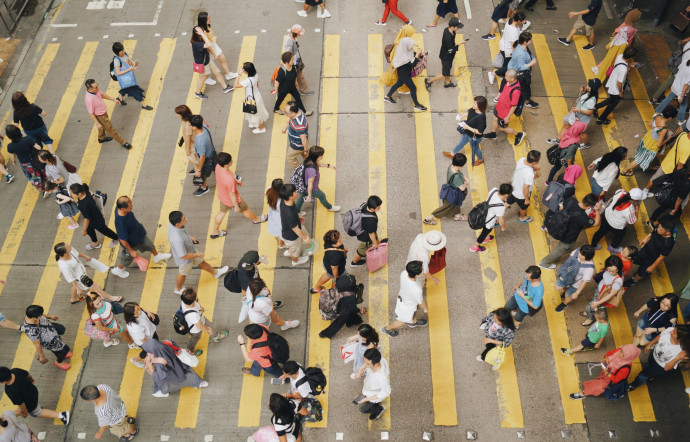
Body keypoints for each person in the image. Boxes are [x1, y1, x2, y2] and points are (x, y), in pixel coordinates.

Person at [168, 210, 229, 294]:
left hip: (191, 251)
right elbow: (183, 256)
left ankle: (215, 273)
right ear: (177, 224)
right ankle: (178, 289)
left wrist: (190, 237)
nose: (186, 218)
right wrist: (197, 254)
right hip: (185, 260)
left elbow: (183, 233)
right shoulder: (177, 239)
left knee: (201, 262)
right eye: (183, 219)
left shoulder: (172, 225)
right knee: (182, 273)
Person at [210, 152, 266, 239]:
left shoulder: (218, 166)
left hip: (223, 196)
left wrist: (235, 179)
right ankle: (256, 219)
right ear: (226, 164)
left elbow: (228, 172)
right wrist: (236, 206)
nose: (232, 161)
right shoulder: (229, 180)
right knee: (245, 209)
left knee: (221, 213)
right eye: (230, 161)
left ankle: (215, 232)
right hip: (232, 200)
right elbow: (232, 194)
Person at [538, 194, 601, 270]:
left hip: (558, 227)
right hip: (568, 236)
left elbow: (561, 207)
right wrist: (597, 211)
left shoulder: (571, 200)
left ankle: (566, 249)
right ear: (589, 207)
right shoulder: (583, 217)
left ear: (583, 198)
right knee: (560, 250)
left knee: (564, 248)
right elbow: (596, 223)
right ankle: (545, 263)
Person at [113, 196, 171, 276]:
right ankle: (118, 269)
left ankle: (157, 256)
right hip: (131, 243)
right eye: (130, 207)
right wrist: (131, 251)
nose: (131, 207)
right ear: (123, 208)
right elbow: (123, 239)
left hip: (139, 235)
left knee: (149, 245)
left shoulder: (119, 208)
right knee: (126, 259)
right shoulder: (120, 222)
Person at [628, 325, 690, 392]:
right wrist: (650, 343)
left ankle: (634, 385)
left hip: (660, 366)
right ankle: (651, 375)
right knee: (649, 365)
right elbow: (660, 336)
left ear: (681, 339)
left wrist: (677, 358)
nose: (671, 332)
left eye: (674, 333)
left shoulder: (681, 352)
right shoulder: (670, 330)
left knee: (642, 375)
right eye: (674, 330)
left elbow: (667, 368)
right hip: (654, 354)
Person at [0, 367, 70, 425]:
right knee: (36, 406)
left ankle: (62, 415)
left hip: (29, 401)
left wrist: (24, 412)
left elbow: (21, 403)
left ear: (3, 381)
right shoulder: (15, 371)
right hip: (33, 391)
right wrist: (31, 379)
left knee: (36, 413)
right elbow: (27, 374)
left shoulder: (10, 390)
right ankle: (39, 408)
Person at [568, 344, 640, 400]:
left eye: (623, 354)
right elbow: (609, 353)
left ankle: (583, 393)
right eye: (621, 351)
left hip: (609, 379)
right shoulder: (621, 350)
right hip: (606, 371)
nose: (619, 353)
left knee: (598, 386)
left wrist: (607, 373)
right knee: (597, 383)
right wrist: (606, 359)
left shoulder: (625, 369)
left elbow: (615, 379)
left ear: (629, 357)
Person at [54, 242, 120, 303]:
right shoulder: (64, 266)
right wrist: (78, 288)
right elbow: (71, 279)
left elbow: (76, 253)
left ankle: (73, 298)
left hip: (82, 273)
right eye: (68, 248)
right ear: (65, 253)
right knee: (97, 288)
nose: (70, 247)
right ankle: (111, 298)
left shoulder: (69, 250)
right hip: (81, 278)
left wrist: (85, 256)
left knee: (75, 286)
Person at [621, 107, 677, 175]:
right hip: (651, 145)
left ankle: (648, 167)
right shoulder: (663, 129)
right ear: (670, 118)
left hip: (647, 138)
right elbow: (659, 144)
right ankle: (625, 170)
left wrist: (657, 129)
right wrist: (668, 138)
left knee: (644, 156)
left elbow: (649, 124)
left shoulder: (657, 115)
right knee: (639, 159)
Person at [546, 79, 601, 149]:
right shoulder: (589, 92)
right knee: (566, 125)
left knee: (582, 133)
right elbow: (583, 97)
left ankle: (587, 144)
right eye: (588, 85)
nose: (587, 86)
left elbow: (590, 112)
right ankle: (558, 140)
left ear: (592, 89)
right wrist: (583, 90)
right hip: (576, 114)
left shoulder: (591, 100)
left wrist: (579, 110)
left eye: (589, 86)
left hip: (582, 119)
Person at [143, 339, 207, 397]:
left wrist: (150, 366)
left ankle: (163, 393)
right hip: (180, 366)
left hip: (172, 376)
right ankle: (199, 383)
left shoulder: (158, 362)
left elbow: (161, 376)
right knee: (189, 375)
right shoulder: (167, 343)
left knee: (166, 385)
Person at [623, 218, 676, 289]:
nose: (658, 229)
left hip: (651, 259)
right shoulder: (659, 230)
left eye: (660, 229)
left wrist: (652, 267)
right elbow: (653, 232)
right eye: (659, 227)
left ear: (668, 233)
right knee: (638, 260)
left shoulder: (668, 244)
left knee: (642, 271)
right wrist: (646, 238)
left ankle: (634, 280)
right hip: (645, 250)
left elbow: (661, 257)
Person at [383, 32, 428, 112]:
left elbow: (411, 56)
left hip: (403, 72)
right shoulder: (404, 56)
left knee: (399, 83)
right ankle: (417, 105)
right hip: (404, 74)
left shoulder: (403, 50)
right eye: (410, 46)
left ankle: (387, 97)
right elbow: (413, 63)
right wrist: (417, 55)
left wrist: (420, 54)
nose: (411, 47)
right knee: (413, 88)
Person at [381, 261, 428, 337]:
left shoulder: (404, 273)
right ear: (417, 274)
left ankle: (413, 322)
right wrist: (425, 308)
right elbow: (421, 302)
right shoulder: (416, 289)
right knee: (402, 321)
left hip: (403, 299)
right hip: (408, 307)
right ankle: (387, 329)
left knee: (413, 313)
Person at [593, 9, 641, 82]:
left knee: (607, 62)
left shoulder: (625, 25)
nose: (639, 18)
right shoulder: (631, 30)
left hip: (615, 45)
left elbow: (616, 32)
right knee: (610, 64)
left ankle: (599, 72)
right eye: (638, 16)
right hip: (620, 49)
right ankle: (598, 80)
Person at [590, 188, 643, 252]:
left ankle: (593, 245)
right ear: (634, 200)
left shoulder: (620, 193)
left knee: (601, 231)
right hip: (616, 226)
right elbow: (633, 221)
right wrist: (637, 209)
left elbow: (619, 190)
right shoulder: (630, 209)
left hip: (606, 216)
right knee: (620, 235)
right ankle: (612, 247)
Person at [594, 48, 637, 126]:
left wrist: (630, 65)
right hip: (616, 89)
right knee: (612, 104)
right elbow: (619, 83)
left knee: (611, 100)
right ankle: (601, 118)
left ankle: (595, 107)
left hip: (611, 82)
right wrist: (621, 93)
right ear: (631, 57)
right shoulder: (623, 69)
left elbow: (621, 64)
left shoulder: (620, 56)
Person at [83, 79, 131, 149]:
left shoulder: (96, 91)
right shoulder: (89, 99)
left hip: (103, 113)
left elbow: (102, 94)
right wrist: (97, 123)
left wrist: (113, 99)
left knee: (101, 127)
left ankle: (101, 138)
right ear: (89, 88)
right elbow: (91, 113)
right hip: (101, 116)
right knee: (110, 129)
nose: (98, 88)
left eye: (97, 86)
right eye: (96, 87)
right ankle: (123, 142)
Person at [70, 183, 118, 250]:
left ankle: (116, 238)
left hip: (96, 220)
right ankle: (95, 243)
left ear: (79, 194)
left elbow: (87, 219)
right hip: (95, 214)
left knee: (104, 230)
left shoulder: (83, 205)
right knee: (89, 229)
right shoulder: (85, 190)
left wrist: (83, 230)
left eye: (72, 193)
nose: (71, 194)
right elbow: (85, 185)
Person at [482, 70, 525, 146]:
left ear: (512, 79)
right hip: (499, 107)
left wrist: (507, 117)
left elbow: (514, 105)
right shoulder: (508, 82)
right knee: (495, 118)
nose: (504, 77)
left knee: (502, 128)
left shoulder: (516, 91)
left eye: (506, 76)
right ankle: (493, 133)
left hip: (504, 113)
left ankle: (518, 134)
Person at [424, 152, 470, 224]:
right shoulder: (456, 177)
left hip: (451, 192)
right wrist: (465, 182)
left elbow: (460, 173)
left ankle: (457, 216)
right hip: (453, 195)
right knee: (445, 208)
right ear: (461, 165)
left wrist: (465, 178)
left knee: (455, 205)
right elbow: (462, 188)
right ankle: (428, 219)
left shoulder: (451, 167)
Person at [23, 305, 72, 370]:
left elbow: (41, 315)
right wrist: (41, 356)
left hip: (51, 332)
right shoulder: (31, 331)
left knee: (61, 347)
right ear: (34, 317)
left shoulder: (30, 314)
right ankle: (59, 362)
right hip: (50, 342)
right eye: (40, 316)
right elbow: (37, 344)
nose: (41, 316)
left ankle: (62, 354)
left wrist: (50, 317)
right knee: (65, 350)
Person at [180, 288, 228, 353]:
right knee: (194, 339)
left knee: (210, 326)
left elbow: (196, 306)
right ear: (194, 299)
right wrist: (208, 329)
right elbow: (200, 326)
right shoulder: (193, 315)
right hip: (195, 330)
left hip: (200, 318)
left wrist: (200, 309)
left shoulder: (184, 301)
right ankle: (190, 350)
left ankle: (216, 337)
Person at [190, 26, 233, 99]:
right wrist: (202, 34)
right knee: (203, 78)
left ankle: (225, 88)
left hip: (207, 59)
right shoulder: (197, 43)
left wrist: (213, 55)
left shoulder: (200, 40)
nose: (204, 33)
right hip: (203, 64)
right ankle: (198, 93)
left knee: (217, 72)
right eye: (202, 32)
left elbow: (208, 47)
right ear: (198, 34)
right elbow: (209, 44)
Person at [295, 145, 341, 212]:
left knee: (302, 196)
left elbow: (318, 164)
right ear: (317, 156)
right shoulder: (311, 170)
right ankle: (330, 207)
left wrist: (329, 166)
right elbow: (310, 184)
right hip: (313, 188)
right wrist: (310, 195)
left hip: (304, 185)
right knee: (322, 196)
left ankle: (297, 211)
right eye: (321, 155)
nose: (322, 156)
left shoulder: (309, 160)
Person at [444, 97, 487, 167]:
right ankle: (452, 154)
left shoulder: (482, 118)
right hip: (467, 133)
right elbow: (470, 113)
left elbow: (480, 132)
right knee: (460, 143)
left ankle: (481, 159)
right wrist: (464, 115)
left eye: (475, 104)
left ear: (480, 106)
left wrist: (467, 127)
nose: (473, 104)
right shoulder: (473, 109)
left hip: (474, 137)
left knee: (476, 149)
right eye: (473, 102)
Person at [582, 255, 624, 327]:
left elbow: (611, 294)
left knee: (590, 307)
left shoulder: (618, 281)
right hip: (600, 289)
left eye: (614, 271)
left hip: (603, 297)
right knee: (592, 306)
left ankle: (591, 318)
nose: (611, 272)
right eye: (609, 269)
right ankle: (590, 313)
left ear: (618, 269)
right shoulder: (607, 270)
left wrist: (598, 303)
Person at [318, 274, 365, 339]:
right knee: (342, 318)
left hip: (326, 304)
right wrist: (361, 310)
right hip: (330, 311)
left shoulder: (338, 284)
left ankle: (353, 321)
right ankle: (326, 333)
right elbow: (353, 308)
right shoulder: (350, 298)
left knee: (348, 310)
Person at [196, 12, 239, 83]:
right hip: (208, 48)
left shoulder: (207, 26)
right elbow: (208, 46)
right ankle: (206, 78)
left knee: (222, 58)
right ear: (203, 20)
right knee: (208, 65)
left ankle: (228, 74)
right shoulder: (202, 31)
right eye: (208, 19)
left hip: (213, 44)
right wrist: (214, 55)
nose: (210, 20)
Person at [424, 17, 465, 90]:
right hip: (447, 57)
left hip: (445, 54)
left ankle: (447, 82)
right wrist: (460, 44)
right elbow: (451, 50)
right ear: (452, 27)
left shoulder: (447, 29)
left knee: (447, 69)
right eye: (457, 27)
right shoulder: (448, 37)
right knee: (444, 73)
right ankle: (429, 81)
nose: (458, 28)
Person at [111, 41, 153, 110]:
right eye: (121, 51)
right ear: (117, 53)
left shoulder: (125, 54)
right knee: (134, 91)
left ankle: (120, 98)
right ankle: (144, 105)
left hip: (129, 78)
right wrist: (129, 69)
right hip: (125, 79)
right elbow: (118, 73)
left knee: (125, 88)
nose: (123, 52)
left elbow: (129, 63)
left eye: (123, 50)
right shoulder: (116, 60)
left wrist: (133, 64)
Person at [470, 183, 512, 253]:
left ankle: (487, 237)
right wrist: (503, 226)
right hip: (489, 221)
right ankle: (475, 247)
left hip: (483, 213)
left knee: (487, 231)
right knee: (484, 233)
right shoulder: (500, 207)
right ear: (506, 195)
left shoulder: (494, 190)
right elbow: (501, 219)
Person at [554, 245, 596, 313]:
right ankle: (565, 291)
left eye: (581, 254)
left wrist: (577, 292)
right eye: (580, 252)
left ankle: (565, 303)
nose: (579, 254)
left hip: (576, 283)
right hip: (566, 276)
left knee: (568, 295)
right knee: (557, 286)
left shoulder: (589, 268)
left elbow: (584, 282)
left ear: (586, 257)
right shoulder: (577, 251)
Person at [650, 36, 690, 105]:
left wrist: (682, 41)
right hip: (685, 73)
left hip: (677, 67)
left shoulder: (688, 44)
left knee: (668, 83)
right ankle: (681, 104)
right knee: (684, 89)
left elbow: (682, 42)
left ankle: (654, 98)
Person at [489, 12, 526, 84]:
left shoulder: (510, 21)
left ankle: (502, 74)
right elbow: (513, 45)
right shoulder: (514, 32)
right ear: (518, 21)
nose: (524, 22)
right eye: (523, 20)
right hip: (508, 50)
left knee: (506, 62)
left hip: (503, 44)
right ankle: (493, 74)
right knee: (508, 66)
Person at [353, 348, 390, 421]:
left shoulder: (381, 377)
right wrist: (361, 369)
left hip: (373, 397)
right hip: (369, 389)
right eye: (364, 361)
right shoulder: (378, 358)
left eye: (368, 364)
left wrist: (366, 399)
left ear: (376, 364)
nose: (365, 364)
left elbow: (386, 392)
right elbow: (366, 364)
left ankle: (380, 409)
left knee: (362, 409)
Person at [5, 125, 45, 192]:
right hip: (36, 159)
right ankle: (48, 183)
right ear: (19, 131)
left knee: (32, 176)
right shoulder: (28, 139)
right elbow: (39, 147)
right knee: (42, 171)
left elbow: (12, 156)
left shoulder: (10, 146)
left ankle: (42, 189)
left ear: (9, 136)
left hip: (25, 164)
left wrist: (13, 162)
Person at [280, 183, 311, 266]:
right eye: (295, 192)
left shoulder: (285, 202)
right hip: (292, 237)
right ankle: (295, 260)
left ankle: (290, 251)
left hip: (287, 232)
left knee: (293, 248)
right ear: (290, 196)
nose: (297, 192)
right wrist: (304, 238)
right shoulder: (289, 213)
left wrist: (298, 217)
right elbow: (296, 229)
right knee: (296, 251)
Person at [234, 62, 270, 134]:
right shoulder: (255, 74)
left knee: (257, 114)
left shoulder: (248, 81)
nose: (242, 70)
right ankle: (254, 124)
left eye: (244, 69)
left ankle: (261, 128)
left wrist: (239, 74)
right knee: (255, 112)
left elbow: (235, 85)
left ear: (247, 71)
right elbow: (257, 84)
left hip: (253, 99)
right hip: (256, 96)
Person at [379, 24, 415, 95]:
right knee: (401, 77)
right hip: (399, 64)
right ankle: (402, 89)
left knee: (394, 75)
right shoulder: (401, 44)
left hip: (395, 63)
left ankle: (386, 82)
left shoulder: (400, 38)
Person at [507, 31, 539, 109]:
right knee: (525, 86)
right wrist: (531, 64)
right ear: (525, 42)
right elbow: (520, 67)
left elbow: (528, 55)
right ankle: (527, 101)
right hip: (519, 73)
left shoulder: (522, 46)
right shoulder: (521, 53)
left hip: (513, 69)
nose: (531, 41)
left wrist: (533, 59)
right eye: (530, 40)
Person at [123, 301, 159, 368]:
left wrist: (148, 312)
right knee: (145, 352)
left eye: (139, 308)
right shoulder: (135, 327)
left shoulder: (138, 312)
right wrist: (149, 348)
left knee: (156, 341)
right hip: (146, 340)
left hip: (151, 333)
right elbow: (143, 340)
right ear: (131, 316)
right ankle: (136, 360)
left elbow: (142, 309)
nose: (140, 311)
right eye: (137, 312)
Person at [507, 150, 540, 224]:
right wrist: (526, 199)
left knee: (509, 201)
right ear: (534, 162)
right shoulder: (529, 174)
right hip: (521, 196)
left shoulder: (521, 160)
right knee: (524, 207)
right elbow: (526, 188)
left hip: (514, 188)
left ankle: (500, 211)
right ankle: (522, 217)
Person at [350, 196, 383, 267]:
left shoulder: (365, 204)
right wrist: (375, 243)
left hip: (364, 228)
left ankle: (378, 244)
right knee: (361, 250)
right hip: (365, 236)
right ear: (371, 208)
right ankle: (354, 262)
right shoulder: (371, 221)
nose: (379, 208)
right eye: (378, 207)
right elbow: (371, 234)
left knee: (374, 238)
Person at [655, 60, 690, 126]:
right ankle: (680, 120)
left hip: (675, 86)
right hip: (681, 91)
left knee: (667, 99)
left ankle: (658, 111)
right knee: (683, 105)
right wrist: (682, 96)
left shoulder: (685, 63)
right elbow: (686, 85)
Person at [190, 114, 216, 197]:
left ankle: (204, 188)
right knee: (218, 167)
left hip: (207, 161)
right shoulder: (204, 127)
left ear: (194, 127)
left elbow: (202, 157)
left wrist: (199, 170)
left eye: (190, 125)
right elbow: (203, 121)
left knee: (203, 175)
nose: (189, 126)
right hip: (213, 154)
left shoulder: (200, 141)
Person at [283, 24, 314, 96]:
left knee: (299, 77)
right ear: (294, 34)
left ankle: (303, 90)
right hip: (293, 63)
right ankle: (283, 91)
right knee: (292, 78)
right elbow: (288, 55)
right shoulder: (289, 42)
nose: (299, 36)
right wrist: (294, 64)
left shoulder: (292, 38)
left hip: (296, 61)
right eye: (298, 35)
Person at [283, 101, 310, 170]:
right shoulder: (299, 111)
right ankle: (311, 165)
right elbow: (290, 119)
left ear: (293, 113)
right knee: (306, 156)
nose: (284, 113)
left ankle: (298, 172)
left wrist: (306, 150)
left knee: (290, 158)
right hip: (299, 144)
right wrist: (286, 127)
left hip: (297, 145)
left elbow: (304, 139)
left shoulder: (299, 125)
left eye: (286, 112)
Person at [175, 105, 199, 173]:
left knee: (193, 157)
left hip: (192, 143)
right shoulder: (192, 118)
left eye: (178, 114)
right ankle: (196, 168)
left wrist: (187, 150)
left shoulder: (187, 124)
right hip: (195, 139)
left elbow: (188, 139)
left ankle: (197, 170)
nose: (177, 115)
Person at [266, 178, 286, 249]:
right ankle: (281, 244)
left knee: (276, 228)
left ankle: (277, 238)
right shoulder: (281, 199)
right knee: (280, 231)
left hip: (273, 213)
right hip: (279, 216)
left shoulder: (269, 190)